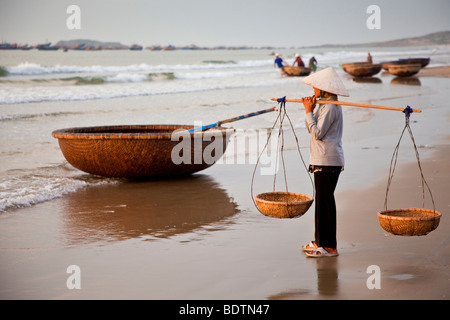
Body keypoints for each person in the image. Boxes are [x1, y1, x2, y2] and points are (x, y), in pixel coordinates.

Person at [300, 67, 349, 257]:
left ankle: (329, 246)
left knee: (325, 203)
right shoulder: (326, 105)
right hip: (325, 159)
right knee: (322, 202)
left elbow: (317, 134)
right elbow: (313, 131)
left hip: (327, 160)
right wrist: (310, 111)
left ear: (324, 89)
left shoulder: (329, 107)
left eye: (315, 88)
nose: (313, 92)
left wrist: (307, 112)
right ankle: (320, 242)